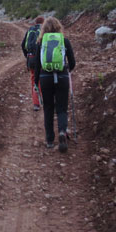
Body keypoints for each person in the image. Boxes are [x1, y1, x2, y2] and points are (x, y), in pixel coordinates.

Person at [34, 17, 76, 153]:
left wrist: (36, 82)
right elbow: (73, 62)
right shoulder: (64, 41)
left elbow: (36, 65)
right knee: (62, 108)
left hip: (45, 77)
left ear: (44, 29)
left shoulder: (40, 42)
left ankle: (50, 140)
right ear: (59, 28)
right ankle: (62, 132)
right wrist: (66, 69)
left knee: (48, 108)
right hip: (62, 76)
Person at [21, 16, 44, 111]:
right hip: (41, 59)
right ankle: (45, 100)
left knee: (34, 80)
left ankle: (36, 104)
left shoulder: (30, 30)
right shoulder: (44, 31)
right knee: (44, 79)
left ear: (35, 22)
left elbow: (23, 45)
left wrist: (27, 56)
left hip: (31, 58)